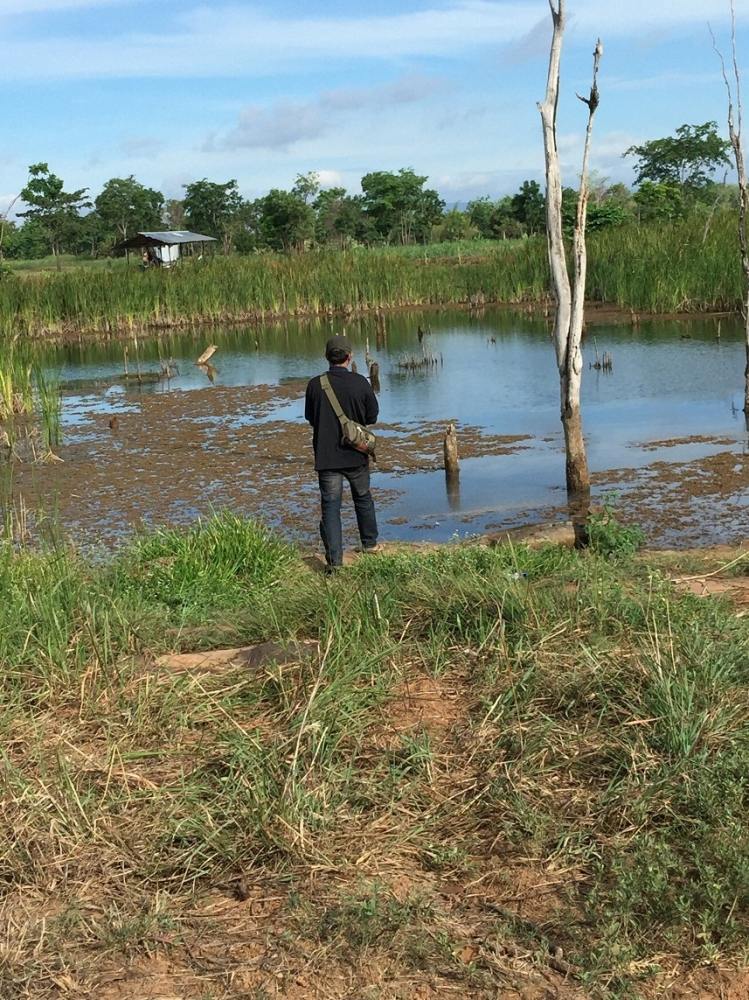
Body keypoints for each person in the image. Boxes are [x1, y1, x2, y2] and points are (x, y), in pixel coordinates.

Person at [305, 335, 379, 571]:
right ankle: (369, 545)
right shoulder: (361, 383)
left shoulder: (315, 384)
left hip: (326, 457)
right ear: (349, 357)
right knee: (363, 498)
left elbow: (310, 418)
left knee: (331, 506)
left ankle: (334, 562)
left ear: (327, 357)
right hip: (356, 454)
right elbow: (371, 417)